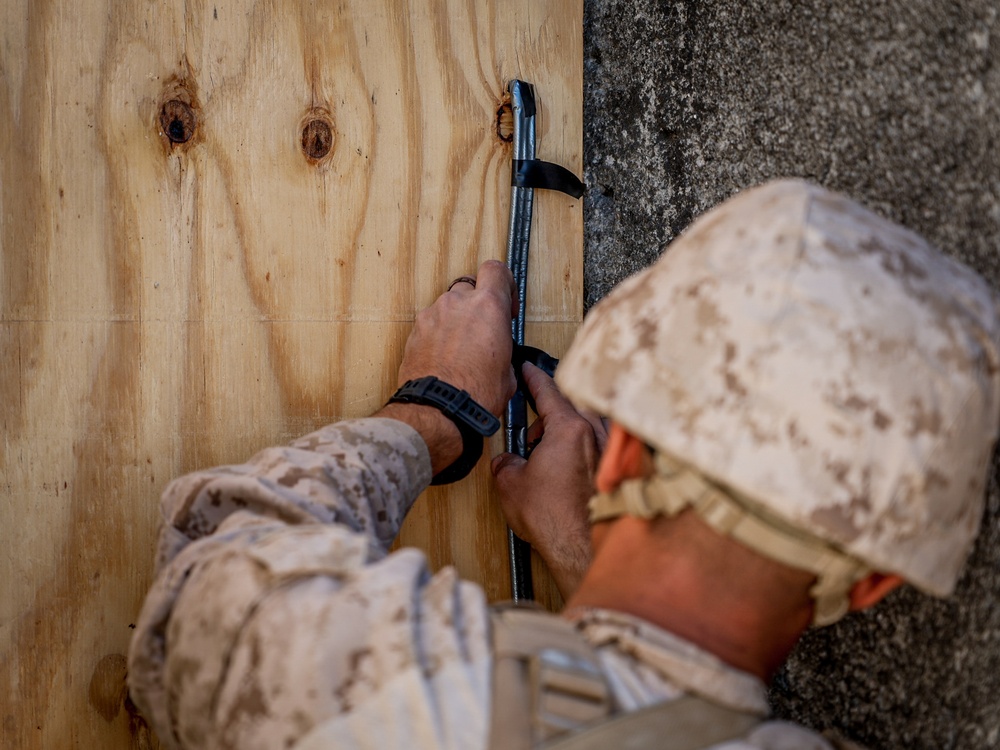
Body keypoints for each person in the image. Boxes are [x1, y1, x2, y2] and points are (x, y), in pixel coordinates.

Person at [128, 180, 1000, 750]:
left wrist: (435, 415)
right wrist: (588, 574)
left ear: (615, 454)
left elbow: (200, 594)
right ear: (875, 582)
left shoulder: (428, 705)